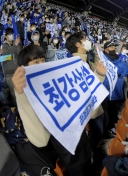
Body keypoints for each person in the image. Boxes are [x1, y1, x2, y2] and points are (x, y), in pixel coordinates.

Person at [12, 44, 92, 176]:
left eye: (43, 60)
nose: (41, 64)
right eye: (36, 62)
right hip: (67, 148)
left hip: (80, 136)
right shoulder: (25, 93)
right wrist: (20, 94)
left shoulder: (54, 79)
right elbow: (40, 139)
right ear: (23, 68)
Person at [66, 31, 108, 151]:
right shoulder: (75, 63)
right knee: (96, 134)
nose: (88, 41)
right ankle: (91, 156)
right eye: (84, 39)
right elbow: (85, 86)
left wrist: (96, 53)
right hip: (91, 109)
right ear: (78, 44)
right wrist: (99, 75)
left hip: (95, 105)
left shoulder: (84, 60)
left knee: (100, 130)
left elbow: (96, 69)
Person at [2, 28, 21, 106]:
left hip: (17, 71)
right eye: (9, 34)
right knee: (14, 94)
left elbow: (19, 54)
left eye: (12, 34)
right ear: (6, 36)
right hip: (9, 73)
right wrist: (15, 45)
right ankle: (17, 109)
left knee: (20, 92)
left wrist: (18, 45)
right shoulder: (4, 45)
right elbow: (7, 56)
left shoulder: (16, 43)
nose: (11, 35)